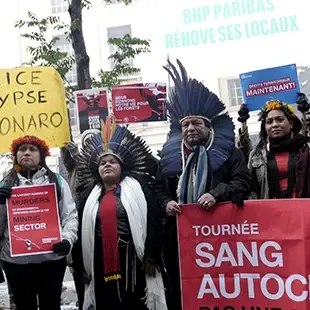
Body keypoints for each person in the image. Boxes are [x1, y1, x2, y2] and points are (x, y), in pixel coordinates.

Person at [154, 59, 252, 309]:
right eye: (185, 124)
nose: (190, 128)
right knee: (182, 286)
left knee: (219, 287)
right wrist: (167, 203)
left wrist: (215, 194)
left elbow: (242, 181)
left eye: (196, 123)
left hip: (220, 238)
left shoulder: (229, 153)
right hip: (178, 236)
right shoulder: (169, 158)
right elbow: (157, 189)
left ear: (209, 126)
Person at [72, 118, 167, 310]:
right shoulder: (88, 197)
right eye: (103, 163)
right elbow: (80, 230)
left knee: (133, 301)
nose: (107, 165)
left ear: (121, 166)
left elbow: (153, 222)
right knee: (107, 302)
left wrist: (151, 256)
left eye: (112, 162)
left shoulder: (139, 189)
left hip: (133, 257)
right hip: (99, 258)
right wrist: (80, 265)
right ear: (97, 170)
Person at [0, 135, 78, 310]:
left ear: (42, 156)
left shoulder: (57, 181)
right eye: (22, 149)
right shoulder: (5, 183)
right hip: (16, 263)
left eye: (32, 149)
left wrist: (67, 240)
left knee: (50, 305)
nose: (27, 153)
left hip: (51, 260)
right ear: (15, 155)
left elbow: (70, 216)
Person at [60, 128, 100, 310]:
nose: (90, 143)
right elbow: (69, 161)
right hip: (78, 215)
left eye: (94, 139)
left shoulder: (102, 162)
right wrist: (65, 145)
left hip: (96, 214)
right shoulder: (75, 164)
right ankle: (83, 300)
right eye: (87, 140)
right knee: (78, 265)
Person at [239, 99, 310, 199]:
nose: (275, 125)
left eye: (280, 120)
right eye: (269, 122)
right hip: (271, 212)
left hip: (303, 211)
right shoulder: (256, 155)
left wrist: (305, 113)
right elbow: (251, 189)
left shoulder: (305, 148)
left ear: (291, 123)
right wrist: (243, 122)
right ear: (265, 128)